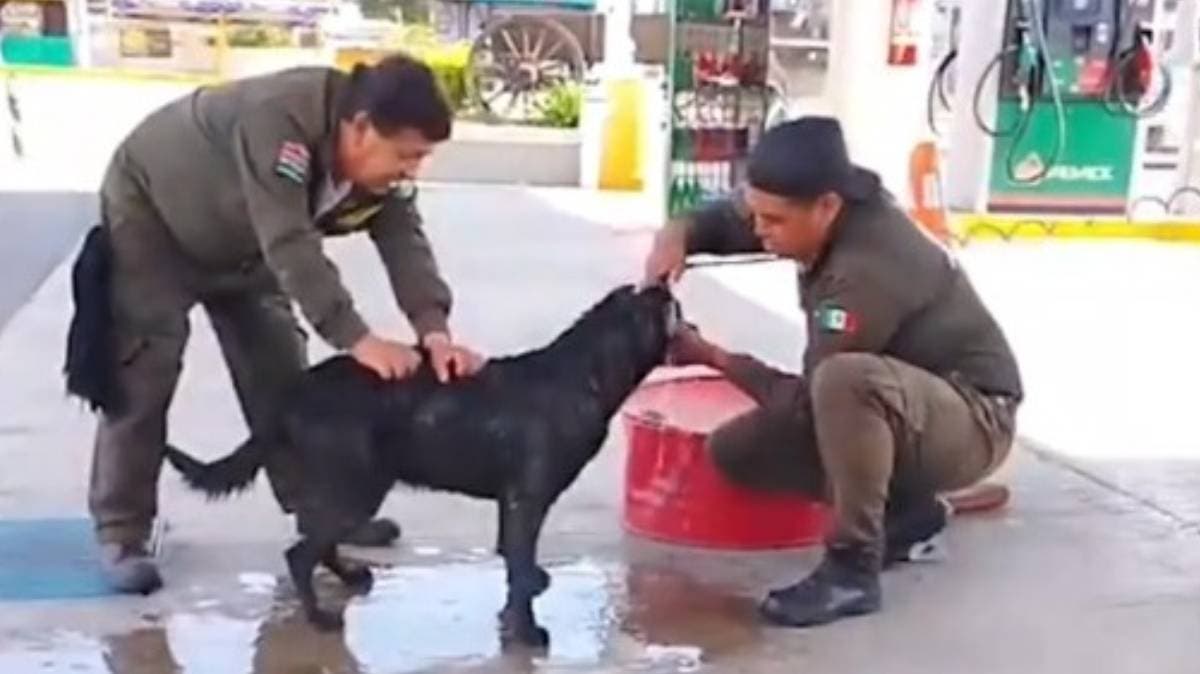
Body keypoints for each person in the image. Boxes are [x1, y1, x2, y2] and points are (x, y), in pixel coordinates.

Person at [83, 54, 483, 594]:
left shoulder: (377, 168)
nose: (412, 169)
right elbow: (290, 243)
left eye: (422, 158)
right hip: (156, 222)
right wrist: (356, 338)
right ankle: (122, 530)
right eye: (406, 155)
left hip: (247, 248)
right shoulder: (281, 124)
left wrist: (433, 329)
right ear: (360, 128)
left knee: (282, 376)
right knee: (146, 369)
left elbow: (403, 238)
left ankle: (320, 514)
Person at [643, 117, 1021, 627]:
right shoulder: (812, 197)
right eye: (757, 216)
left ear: (827, 207)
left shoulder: (862, 271)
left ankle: (852, 569)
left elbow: (811, 406)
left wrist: (713, 356)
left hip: (974, 416)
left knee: (843, 383)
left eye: (773, 223)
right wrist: (679, 233)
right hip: (905, 404)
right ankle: (907, 512)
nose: (759, 232)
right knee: (737, 450)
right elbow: (732, 219)